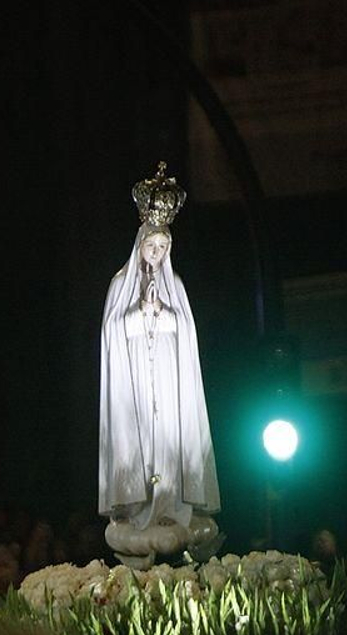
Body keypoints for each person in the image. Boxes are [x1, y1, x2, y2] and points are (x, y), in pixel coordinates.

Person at [99, 162, 221, 565]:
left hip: (167, 386)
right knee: (142, 450)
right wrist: (139, 315)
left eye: (163, 248)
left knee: (169, 445)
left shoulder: (176, 287)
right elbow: (113, 334)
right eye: (152, 247)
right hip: (135, 386)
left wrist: (163, 314)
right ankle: (140, 509)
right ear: (140, 245)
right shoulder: (121, 285)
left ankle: (170, 507)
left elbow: (186, 334)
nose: (157, 253)